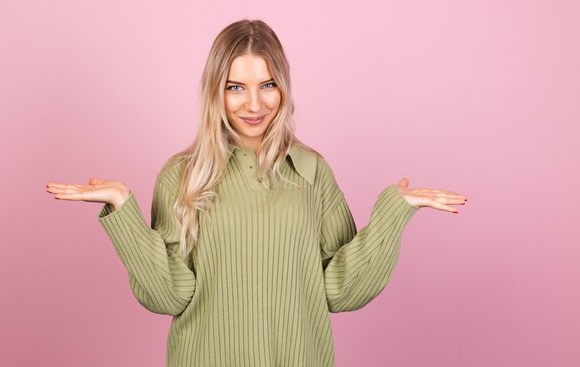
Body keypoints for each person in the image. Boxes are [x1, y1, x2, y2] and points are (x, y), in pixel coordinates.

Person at [46, 19, 467, 367]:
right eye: (235, 87)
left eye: (267, 85)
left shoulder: (310, 171)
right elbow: (168, 295)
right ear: (216, 90)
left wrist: (394, 212)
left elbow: (340, 290)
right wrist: (123, 212)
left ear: (283, 87)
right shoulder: (183, 175)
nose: (253, 104)